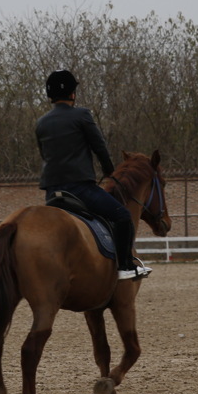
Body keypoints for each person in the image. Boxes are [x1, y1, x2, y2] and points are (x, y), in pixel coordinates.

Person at [36, 69, 150, 280]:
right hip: (80, 189)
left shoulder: (41, 122)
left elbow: (45, 155)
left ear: (50, 95)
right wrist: (109, 172)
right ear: (72, 94)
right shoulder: (81, 115)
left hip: (52, 192)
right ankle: (125, 266)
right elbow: (100, 147)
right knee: (123, 216)